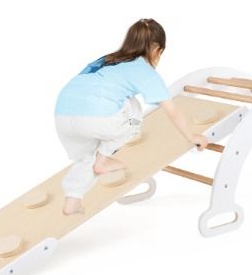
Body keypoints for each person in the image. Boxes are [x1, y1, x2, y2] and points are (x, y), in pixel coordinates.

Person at [54, 18, 207, 215]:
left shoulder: (107, 60)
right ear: (157, 50)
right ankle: (103, 160)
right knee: (134, 108)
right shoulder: (144, 71)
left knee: (86, 158)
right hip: (97, 118)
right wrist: (191, 136)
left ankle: (73, 200)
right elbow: (172, 110)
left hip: (62, 116)